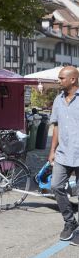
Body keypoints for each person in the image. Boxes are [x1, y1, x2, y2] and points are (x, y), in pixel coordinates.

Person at [48, 66, 79, 245]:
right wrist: (52, 150)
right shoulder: (58, 100)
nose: (59, 81)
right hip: (63, 153)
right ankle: (70, 222)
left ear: (72, 80)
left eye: (61, 78)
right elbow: (57, 126)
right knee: (56, 186)